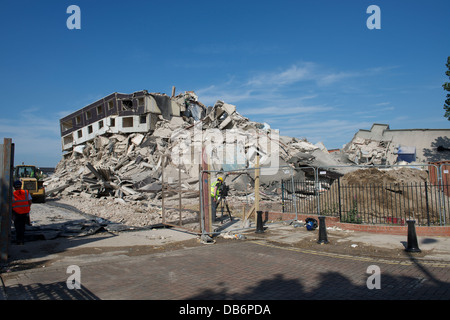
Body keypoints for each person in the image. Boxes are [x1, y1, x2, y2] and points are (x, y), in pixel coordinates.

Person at [12, 180, 32, 245]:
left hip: (16, 212)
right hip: (24, 212)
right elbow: (30, 201)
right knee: (22, 226)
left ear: (14, 187)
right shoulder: (26, 192)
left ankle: (18, 240)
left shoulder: (12, 194)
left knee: (17, 226)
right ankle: (22, 240)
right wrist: (27, 207)